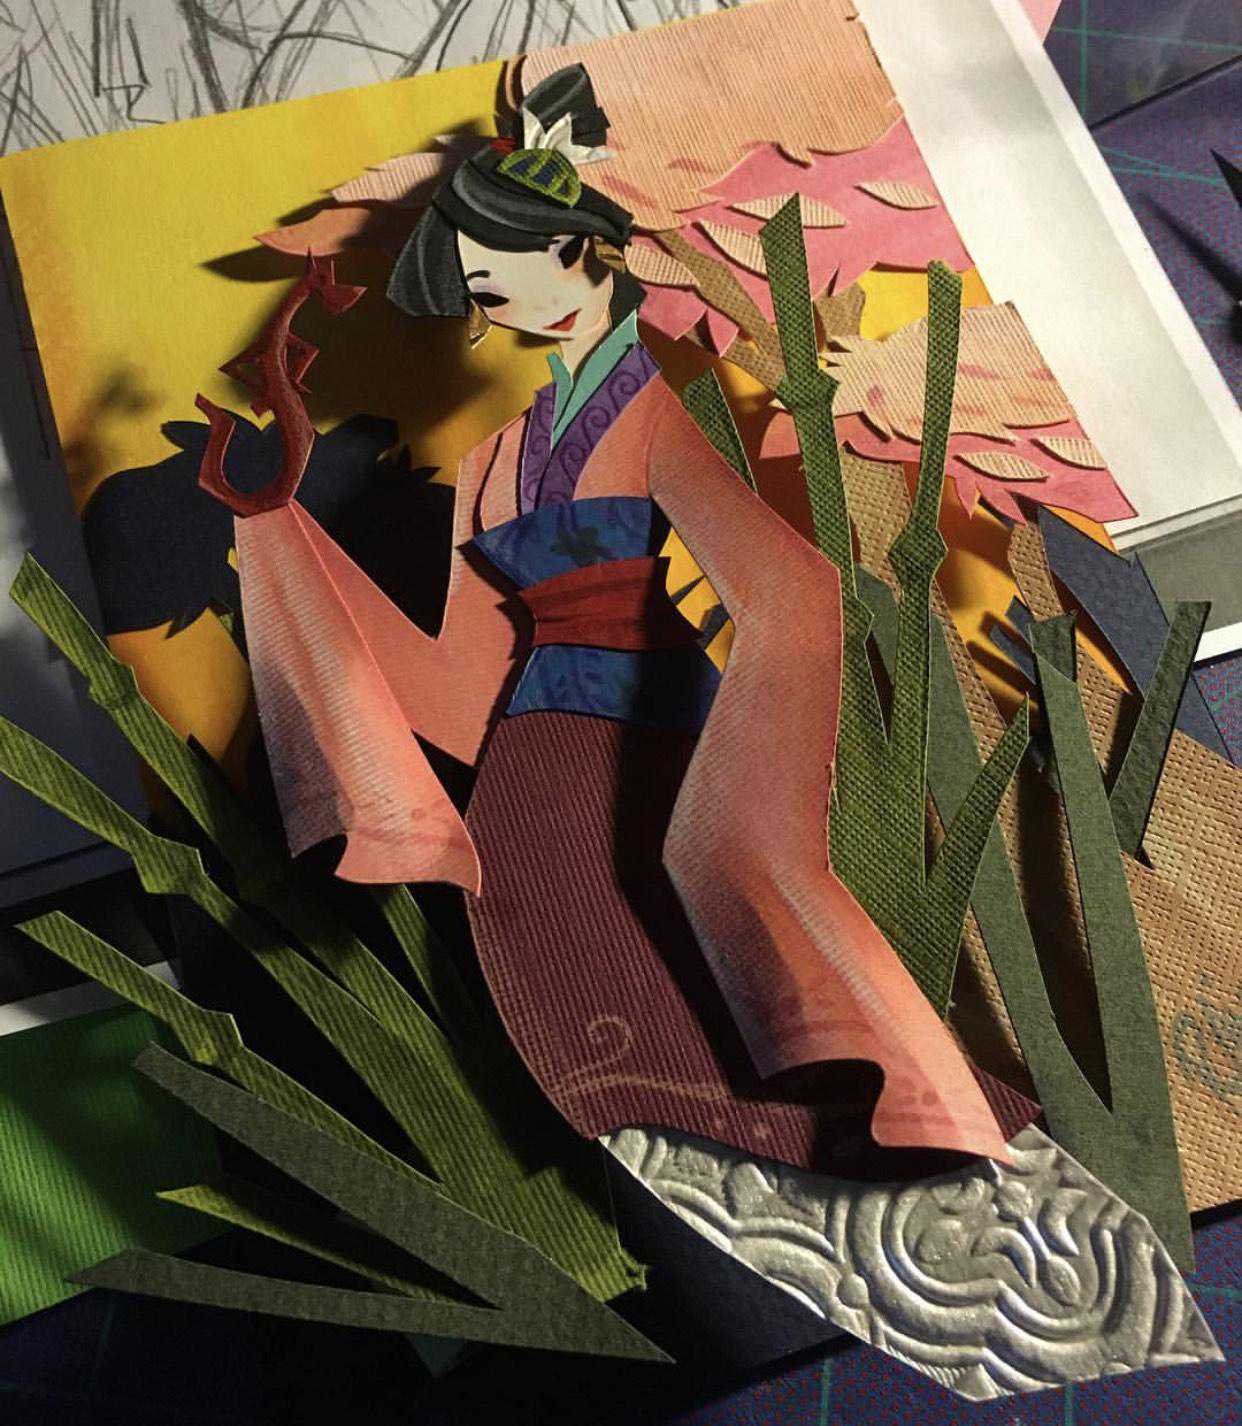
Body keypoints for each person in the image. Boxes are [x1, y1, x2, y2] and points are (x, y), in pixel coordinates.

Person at [216, 64, 1007, 1172]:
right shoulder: (495, 460)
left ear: (584, 248)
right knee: (628, 1093)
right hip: (526, 798)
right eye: (483, 291)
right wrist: (279, 523)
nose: (505, 306)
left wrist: (733, 807)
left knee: (746, 1061)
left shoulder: (655, 411)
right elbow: (454, 692)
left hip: (666, 758)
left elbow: (797, 596)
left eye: (519, 268)